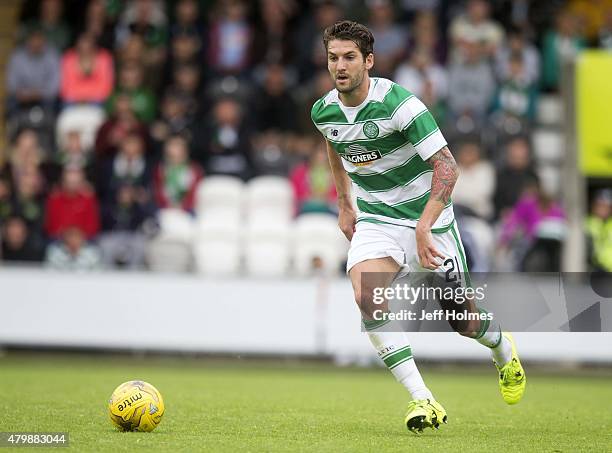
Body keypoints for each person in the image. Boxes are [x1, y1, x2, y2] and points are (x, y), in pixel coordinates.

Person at [310, 21, 526, 433]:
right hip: (376, 219)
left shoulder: (399, 105)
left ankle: (502, 348)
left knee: (462, 320)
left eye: (349, 57)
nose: (340, 65)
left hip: (431, 220)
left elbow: (447, 166)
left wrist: (425, 227)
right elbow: (334, 142)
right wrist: (344, 202)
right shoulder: (323, 111)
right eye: (333, 57)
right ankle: (423, 399)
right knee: (365, 295)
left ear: (368, 61)